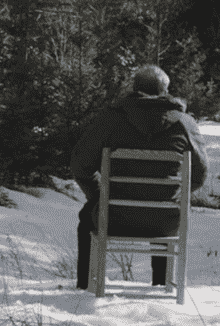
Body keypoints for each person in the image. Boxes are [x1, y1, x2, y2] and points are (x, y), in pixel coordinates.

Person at [71, 65, 208, 289]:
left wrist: (98, 194)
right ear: (165, 91)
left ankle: (86, 287)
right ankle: (162, 284)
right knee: (163, 206)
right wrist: (173, 195)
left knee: (87, 217)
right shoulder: (185, 124)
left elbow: (80, 164)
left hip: (114, 217)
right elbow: (200, 174)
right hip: (167, 221)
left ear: (134, 89)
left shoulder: (111, 120)